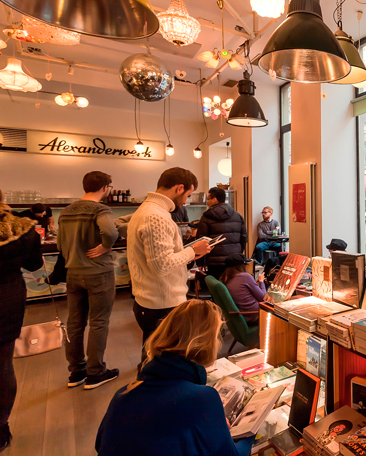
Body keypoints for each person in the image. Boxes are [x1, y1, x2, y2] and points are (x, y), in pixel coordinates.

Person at [95, 299, 255, 456]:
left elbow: (101, 445)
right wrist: (252, 427)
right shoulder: (203, 398)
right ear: (206, 344)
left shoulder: (122, 395)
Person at [127, 168, 212, 352]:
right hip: (161, 304)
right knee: (163, 361)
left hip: (151, 300)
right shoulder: (156, 216)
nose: (185, 201)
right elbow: (161, 265)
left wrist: (190, 253)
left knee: (152, 357)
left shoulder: (147, 210)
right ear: (179, 188)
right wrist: (191, 250)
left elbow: (160, 258)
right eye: (187, 195)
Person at [58, 171, 120, 389]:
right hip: (99, 273)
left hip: (73, 273)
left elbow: (59, 245)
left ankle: (76, 372)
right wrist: (104, 246)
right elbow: (110, 232)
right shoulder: (100, 209)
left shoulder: (66, 212)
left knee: (74, 323)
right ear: (105, 187)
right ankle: (95, 372)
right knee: (99, 322)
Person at [0, 204, 42, 451]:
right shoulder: (21, 230)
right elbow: (35, 265)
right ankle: (1, 426)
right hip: (8, 298)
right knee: (4, 364)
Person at [197, 187, 247, 279]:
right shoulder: (238, 216)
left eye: (208, 199)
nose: (207, 201)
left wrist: (200, 262)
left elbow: (201, 240)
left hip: (214, 262)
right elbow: (244, 238)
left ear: (215, 200)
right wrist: (237, 253)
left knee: (216, 289)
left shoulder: (206, 217)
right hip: (234, 261)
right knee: (233, 290)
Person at [219, 254, 264, 324]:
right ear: (242, 266)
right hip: (255, 315)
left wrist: (254, 283)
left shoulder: (225, 278)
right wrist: (261, 282)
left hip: (241, 316)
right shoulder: (245, 277)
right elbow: (263, 298)